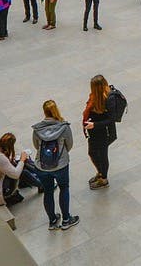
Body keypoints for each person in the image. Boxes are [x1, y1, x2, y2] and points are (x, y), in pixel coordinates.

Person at [32, 99, 79, 230]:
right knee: (64, 188)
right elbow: (69, 145)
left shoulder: (37, 129)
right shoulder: (64, 127)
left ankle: (52, 221)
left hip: (41, 166)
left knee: (48, 191)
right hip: (60, 165)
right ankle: (66, 220)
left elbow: (36, 146)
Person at [0, 132, 39, 207]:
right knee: (23, 171)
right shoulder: (0, 158)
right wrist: (22, 159)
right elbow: (16, 174)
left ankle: (35, 176)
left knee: (19, 164)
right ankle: (41, 185)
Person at [82, 74, 116, 189]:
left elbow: (111, 120)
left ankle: (103, 178)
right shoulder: (95, 97)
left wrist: (94, 125)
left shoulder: (108, 99)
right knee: (92, 153)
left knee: (102, 155)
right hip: (94, 132)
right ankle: (100, 172)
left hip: (103, 133)